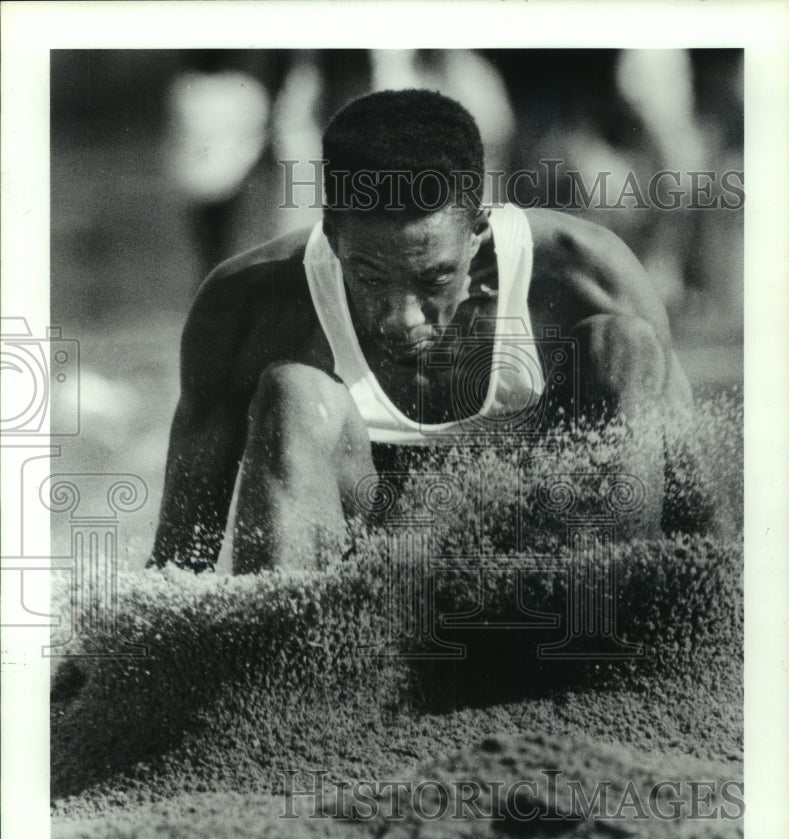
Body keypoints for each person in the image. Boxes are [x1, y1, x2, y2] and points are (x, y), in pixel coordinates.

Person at [148, 89, 694, 575]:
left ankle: (612, 662)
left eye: (434, 277)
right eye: (369, 277)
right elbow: (177, 564)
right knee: (294, 394)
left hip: (544, 585)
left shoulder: (589, 276)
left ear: (477, 233)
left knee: (623, 345)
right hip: (358, 618)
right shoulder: (246, 303)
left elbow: (698, 522)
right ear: (333, 234)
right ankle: (284, 672)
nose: (402, 318)